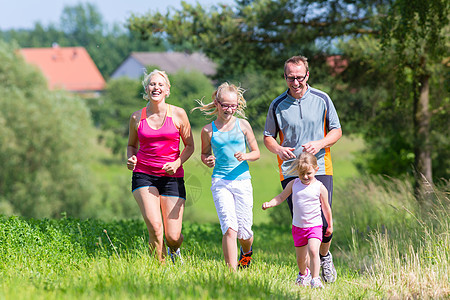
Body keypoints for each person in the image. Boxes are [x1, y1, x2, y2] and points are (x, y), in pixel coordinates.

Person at [263, 55, 342, 282]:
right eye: (290, 78)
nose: (295, 82)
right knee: (303, 223)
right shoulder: (277, 105)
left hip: (320, 168)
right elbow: (268, 137)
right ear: (284, 77)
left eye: (299, 77)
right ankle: (306, 273)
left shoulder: (322, 98)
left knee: (324, 223)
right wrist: (278, 148)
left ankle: (324, 257)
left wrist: (320, 143)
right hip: (291, 170)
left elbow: (336, 131)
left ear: (307, 75)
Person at [127, 69, 194, 263]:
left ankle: (174, 250)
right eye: (152, 84)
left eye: (160, 85)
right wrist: (131, 159)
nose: (156, 88)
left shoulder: (179, 114)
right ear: (146, 89)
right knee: (156, 227)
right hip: (143, 175)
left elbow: (190, 146)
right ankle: (159, 270)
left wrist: (177, 162)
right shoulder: (136, 117)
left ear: (167, 89)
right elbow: (131, 145)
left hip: (172, 177)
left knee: (172, 237)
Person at [193, 82, 260, 271]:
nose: (229, 109)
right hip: (220, 182)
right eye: (225, 105)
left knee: (244, 233)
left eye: (233, 105)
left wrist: (246, 155)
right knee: (230, 228)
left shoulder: (243, 125)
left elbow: (256, 152)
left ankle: (246, 252)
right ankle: (232, 274)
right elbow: (204, 154)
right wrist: (208, 160)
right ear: (217, 103)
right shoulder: (208, 130)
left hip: (242, 181)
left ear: (237, 105)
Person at [262, 152, 333, 289]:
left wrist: (329, 225)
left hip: (315, 226)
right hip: (298, 228)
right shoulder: (293, 184)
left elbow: (326, 208)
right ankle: (303, 274)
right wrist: (270, 203)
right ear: (297, 172)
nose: (305, 177)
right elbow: (281, 197)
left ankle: (315, 278)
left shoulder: (319, 187)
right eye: (302, 174)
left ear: (316, 170)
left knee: (313, 251)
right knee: (301, 259)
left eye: (308, 173)